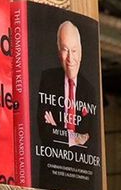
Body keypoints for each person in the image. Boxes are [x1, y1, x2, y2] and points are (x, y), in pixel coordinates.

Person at [36, 20, 99, 161]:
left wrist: (56, 129)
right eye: (65, 50)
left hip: (82, 174)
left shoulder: (90, 90)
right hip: (52, 170)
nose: (70, 58)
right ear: (59, 53)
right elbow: (44, 133)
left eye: (74, 51)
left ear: (81, 52)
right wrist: (77, 138)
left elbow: (93, 141)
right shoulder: (47, 81)